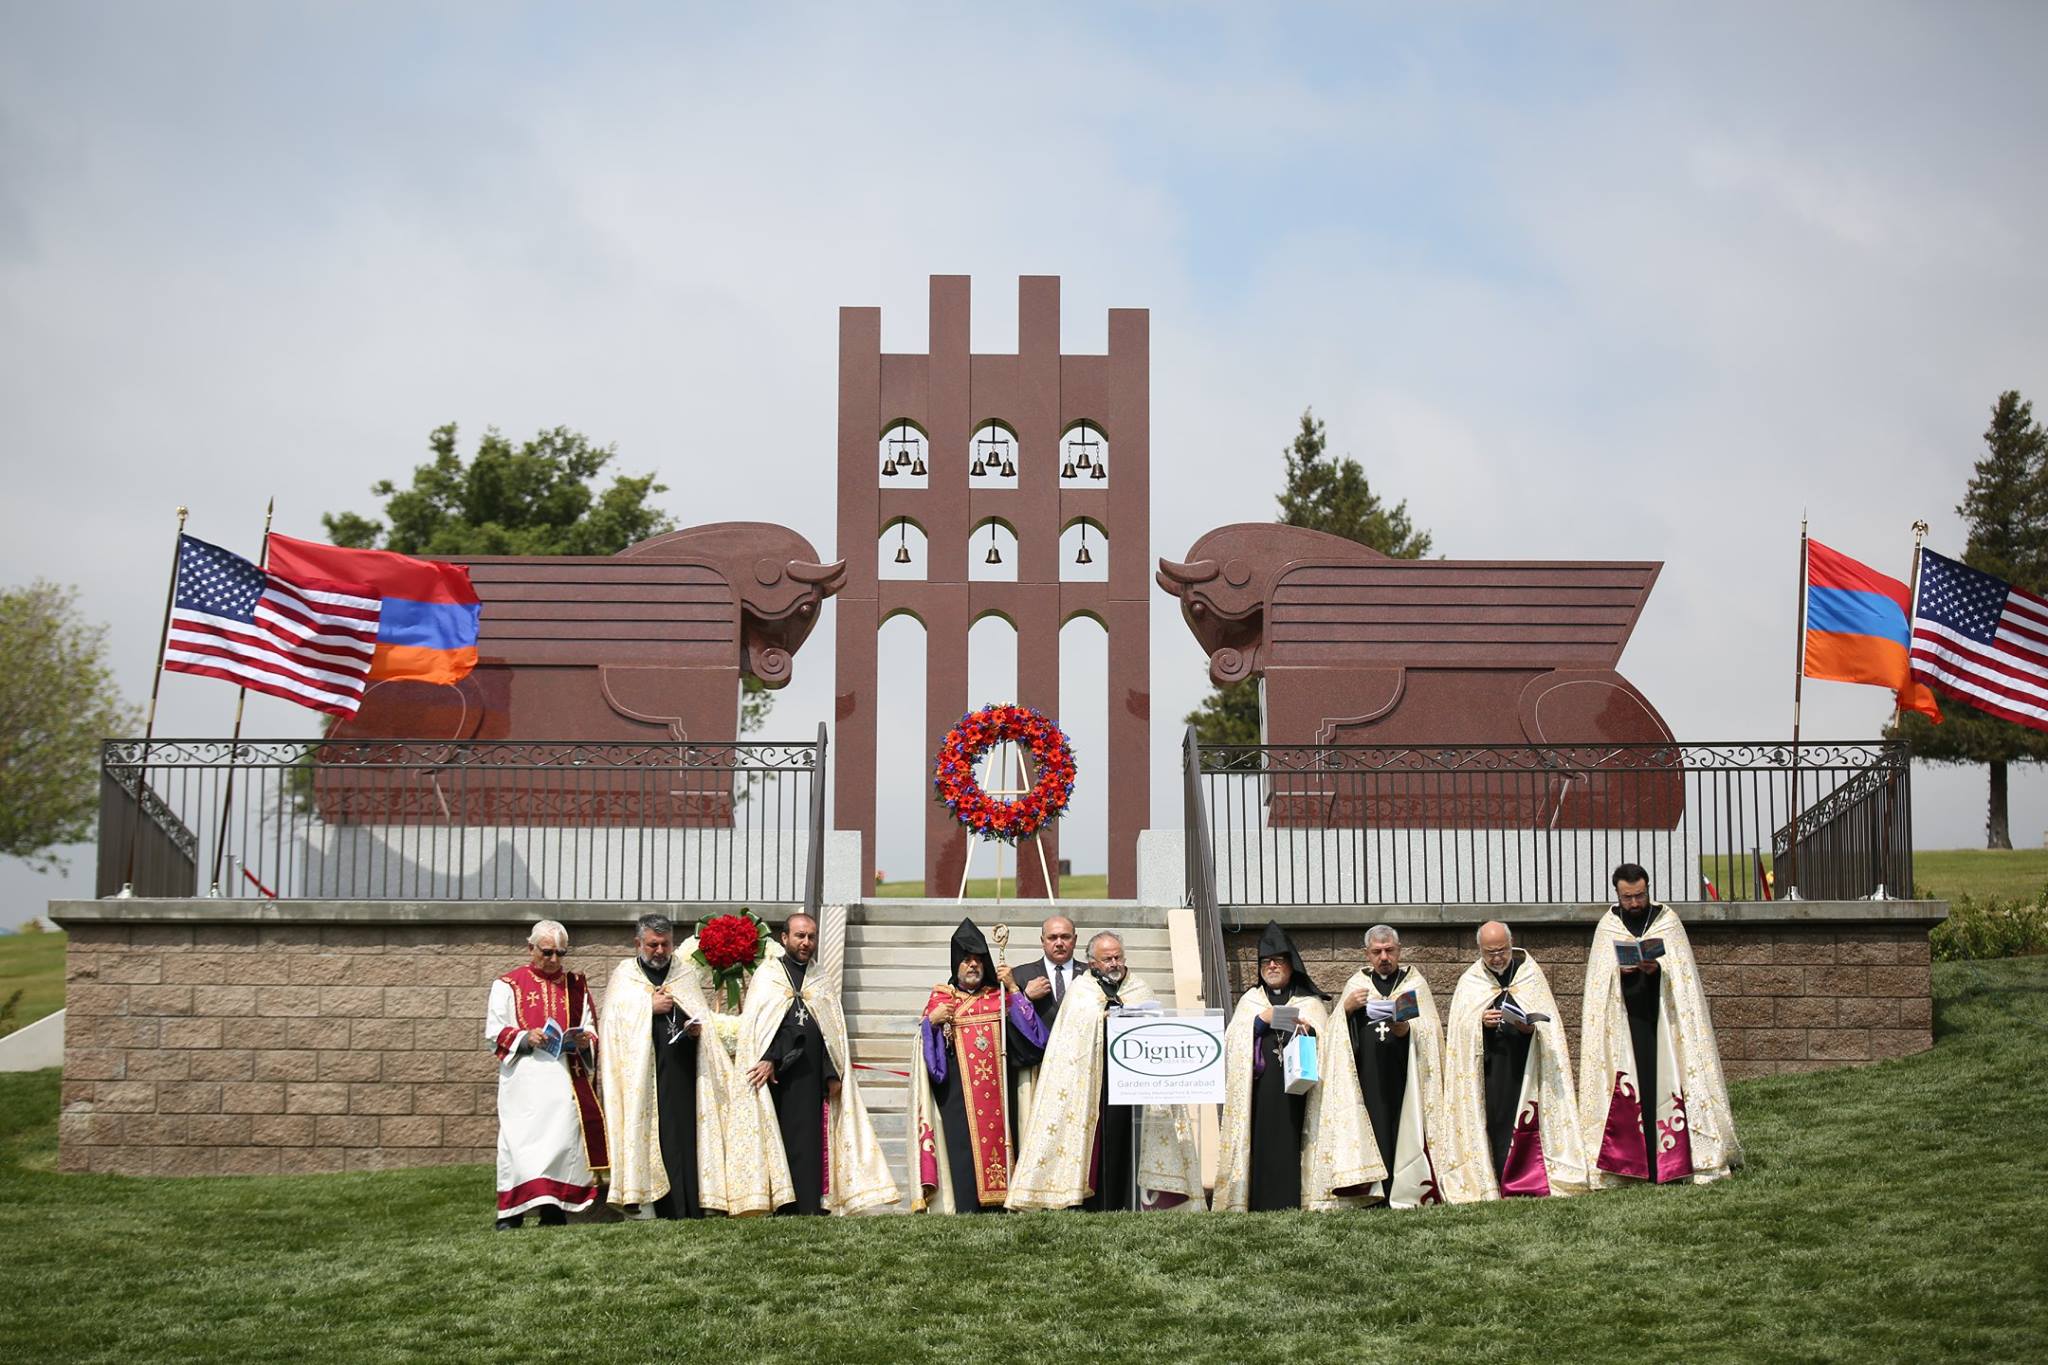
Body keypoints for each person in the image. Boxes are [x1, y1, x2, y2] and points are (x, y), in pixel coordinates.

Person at [1006, 931, 1205, 1213]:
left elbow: (1156, 1029)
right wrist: (1104, 1020)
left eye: (1117, 957)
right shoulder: (1081, 990)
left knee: (1129, 1142)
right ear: (1092, 963)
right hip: (1091, 1085)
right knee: (1097, 1145)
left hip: (1134, 1085)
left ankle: (1133, 1200)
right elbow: (1075, 1034)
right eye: (1107, 959)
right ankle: (1092, 1202)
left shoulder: (1139, 988)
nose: (1114, 963)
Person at [1580, 864, 1741, 1186]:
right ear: (1617, 894)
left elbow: (1682, 976)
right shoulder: (1608, 927)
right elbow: (1599, 984)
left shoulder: (1667, 921)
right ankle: (1630, 1162)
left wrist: (1658, 969)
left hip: (1665, 1023)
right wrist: (1619, 972)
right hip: (1626, 1025)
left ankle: (1675, 1160)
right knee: (1631, 1086)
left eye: (1640, 895)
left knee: (1667, 1082)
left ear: (1648, 889)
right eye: (1627, 897)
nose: (1634, 903)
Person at [1214, 921, 1381, 1212]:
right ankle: (1258, 1203)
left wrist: (1309, 1031)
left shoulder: (1309, 1003)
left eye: (1278, 961)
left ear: (1292, 965)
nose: (1272, 966)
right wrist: (1260, 1021)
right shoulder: (1250, 1002)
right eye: (1266, 962)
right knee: (1262, 1144)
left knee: (1293, 1144)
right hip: (1260, 1095)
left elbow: (1328, 1046)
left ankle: (1297, 1199)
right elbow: (1232, 1044)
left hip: (1299, 1095)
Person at [741, 911, 899, 1215]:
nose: (806, 942)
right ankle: (781, 1206)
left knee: (811, 1143)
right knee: (781, 1140)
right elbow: (762, 1028)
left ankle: (812, 1205)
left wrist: (832, 1072)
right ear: (784, 938)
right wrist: (770, 1057)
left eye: (811, 937)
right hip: (777, 1079)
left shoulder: (821, 978)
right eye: (800, 936)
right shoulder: (768, 976)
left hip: (812, 1075)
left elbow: (830, 1032)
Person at [1438, 922, 1590, 1202]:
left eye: (1502, 950)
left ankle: (1528, 1178)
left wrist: (1529, 1028)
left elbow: (1549, 1026)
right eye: (1490, 952)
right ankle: (1496, 1178)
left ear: (1511, 944)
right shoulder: (1471, 982)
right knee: (1496, 1123)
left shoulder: (1529, 974)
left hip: (1527, 1066)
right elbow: (1460, 1031)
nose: (1497, 958)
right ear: (1479, 950)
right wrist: (1480, 1023)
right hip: (1492, 1069)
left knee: (1528, 1122)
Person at [908, 917, 1048, 1212]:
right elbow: (930, 1060)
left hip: (1000, 1096)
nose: (973, 965)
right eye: (966, 960)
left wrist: (1014, 989)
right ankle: (964, 1206)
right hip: (957, 1096)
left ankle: (1005, 1204)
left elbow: (1034, 1039)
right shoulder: (942, 998)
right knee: (961, 1152)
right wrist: (931, 1023)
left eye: (977, 960)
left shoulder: (999, 997)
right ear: (956, 964)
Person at [599, 913, 728, 1220]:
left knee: (685, 1138)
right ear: (638, 943)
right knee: (656, 1138)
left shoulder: (683, 973)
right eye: (652, 945)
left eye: (665, 944)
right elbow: (612, 1024)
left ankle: (692, 1206)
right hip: (644, 1078)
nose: (659, 951)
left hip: (682, 1072)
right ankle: (655, 1205)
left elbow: (698, 1013)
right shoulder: (625, 975)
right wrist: (648, 1007)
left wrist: (695, 1030)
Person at [486, 920, 608, 1229]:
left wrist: (585, 1040)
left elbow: (590, 1028)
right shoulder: (507, 985)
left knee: (560, 1144)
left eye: (560, 953)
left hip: (564, 1079)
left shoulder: (575, 986)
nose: (554, 959)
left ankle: (553, 1211)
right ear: (530, 948)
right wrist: (525, 1037)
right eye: (547, 952)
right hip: (524, 1082)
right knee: (519, 1148)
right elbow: (494, 1032)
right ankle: (511, 1214)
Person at [1337, 925, 1447, 1207]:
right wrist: (1347, 1008)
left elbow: (1430, 1031)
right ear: (1367, 954)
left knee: (1405, 1129)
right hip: (1369, 1075)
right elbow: (1336, 1035)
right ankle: (1374, 1192)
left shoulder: (1414, 983)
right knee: (1375, 1129)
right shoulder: (1356, 985)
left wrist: (1405, 1029)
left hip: (1407, 1075)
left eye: (1389, 951)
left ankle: (1407, 1190)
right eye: (1377, 952)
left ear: (1399, 951)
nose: (1384, 957)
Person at [1002, 915, 1080, 1131]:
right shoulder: (1019, 975)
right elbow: (1005, 1023)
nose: (1059, 943)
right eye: (1052, 937)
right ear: (1042, 941)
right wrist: (1025, 997)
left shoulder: (1090, 975)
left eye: (1065, 937)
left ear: (1075, 940)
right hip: (1036, 1070)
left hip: (1078, 1068)